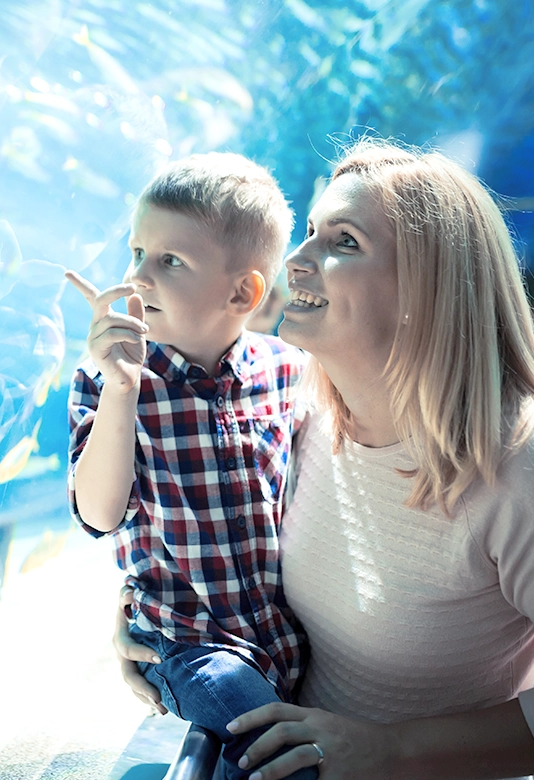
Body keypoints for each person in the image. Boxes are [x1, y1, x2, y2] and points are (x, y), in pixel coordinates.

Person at [114, 138, 534, 779]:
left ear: (428, 287)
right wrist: (155, 623)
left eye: (344, 243)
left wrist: (387, 749)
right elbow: (208, 532)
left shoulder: (515, 467)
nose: (297, 260)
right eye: (309, 232)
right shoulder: (296, 408)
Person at [66, 153, 316, 779]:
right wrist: (122, 391)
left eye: (169, 261)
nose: (138, 279)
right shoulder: (106, 383)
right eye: (136, 253)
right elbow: (98, 515)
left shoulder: (289, 372)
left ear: (243, 292)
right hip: (184, 646)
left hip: (282, 637)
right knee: (268, 741)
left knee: (252, 748)